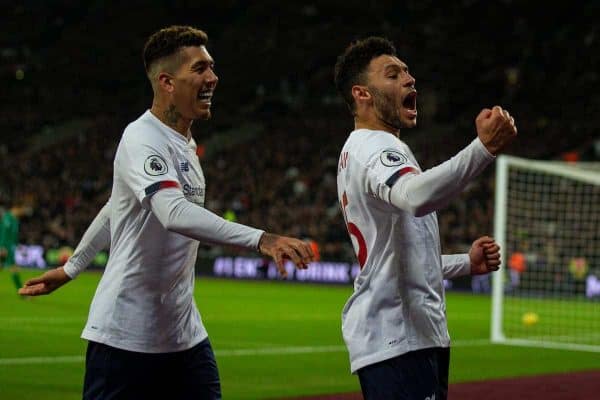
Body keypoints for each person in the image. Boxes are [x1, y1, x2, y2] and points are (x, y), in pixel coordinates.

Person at [19, 26, 314, 400]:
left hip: (183, 336)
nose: (213, 77)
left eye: (212, 67)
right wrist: (262, 239)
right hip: (126, 336)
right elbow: (173, 213)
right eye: (200, 69)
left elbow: (115, 208)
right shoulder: (142, 137)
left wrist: (72, 266)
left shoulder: (185, 144)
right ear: (166, 81)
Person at [333, 37, 517, 400]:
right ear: (362, 94)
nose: (409, 78)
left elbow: (402, 259)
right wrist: (483, 149)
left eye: (407, 71)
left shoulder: (373, 148)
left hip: (408, 337)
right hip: (400, 338)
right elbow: (416, 197)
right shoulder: (375, 146)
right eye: (393, 74)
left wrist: (466, 263)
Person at [0, 200, 22, 293]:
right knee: (14, 268)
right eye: (20, 210)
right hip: (6, 248)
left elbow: (14, 235)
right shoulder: (7, 218)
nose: (21, 212)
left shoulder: (15, 219)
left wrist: (17, 245)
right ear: (15, 208)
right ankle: (21, 291)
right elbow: (4, 233)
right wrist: (2, 247)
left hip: (10, 247)